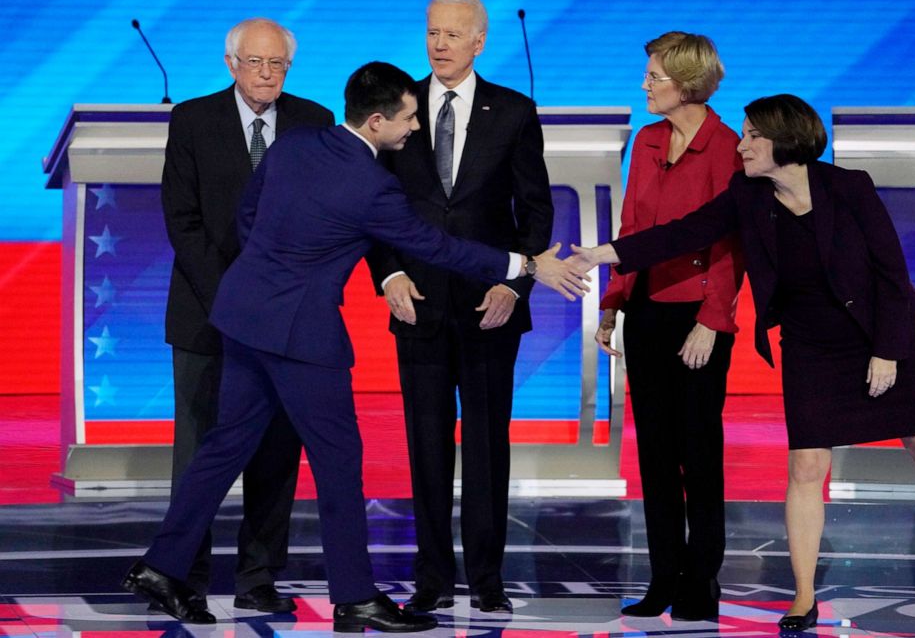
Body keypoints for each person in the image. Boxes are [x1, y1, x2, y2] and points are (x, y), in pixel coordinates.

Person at [123, 61, 587, 633]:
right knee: (339, 462)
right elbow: (438, 247)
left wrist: (276, 273)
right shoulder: (373, 187)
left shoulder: (294, 146)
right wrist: (525, 264)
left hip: (244, 315)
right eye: (410, 117)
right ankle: (356, 596)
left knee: (223, 447)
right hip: (300, 336)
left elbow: (249, 216)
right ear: (375, 121)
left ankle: (162, 567)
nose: (416, 126)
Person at [565, 94, 915, 631]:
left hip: (879, 331)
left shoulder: (848, 187)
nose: (740, 145)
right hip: (812, 345)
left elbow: (891, 275)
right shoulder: (748, 194)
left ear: (784, 140)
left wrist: (887, 350)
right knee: (806, 466)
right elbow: (687, 232)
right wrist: (603, 253)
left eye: (751, 136)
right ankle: (804, 595)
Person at [366, 0, 553, 614]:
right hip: (416, 301)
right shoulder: (399, 108)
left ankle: (488, 577)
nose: (439, 44)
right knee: (425, 444)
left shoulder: (515, 111)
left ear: (479, 42)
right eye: (431, 33)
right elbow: (374, 203)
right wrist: (388, 274)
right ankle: (432, 577)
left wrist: (515, 283)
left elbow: (536, 210)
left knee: (486, 444)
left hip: (488, 304)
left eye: (452, 34)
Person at [160, 17, 334, 613]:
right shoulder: (192, 120)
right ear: (231, 64)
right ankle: (182, 577)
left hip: (286, 320)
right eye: (255, 63)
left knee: (276, 450)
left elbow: (324, 218)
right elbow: (182, 221)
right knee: (201, 453)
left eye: (277, 65)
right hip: (207, 314)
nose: (267, 75)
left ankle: (258, 576)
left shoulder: (314, 122)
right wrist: (233, 297)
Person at [596, 32, 743, 621]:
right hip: (651, 310)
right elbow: (632, 226)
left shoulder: (727, 147)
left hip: (699, 315)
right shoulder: (649, 139)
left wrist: (713, 318)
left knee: (698, 450)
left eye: (653, 77)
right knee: (654, 451)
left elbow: (733, 244)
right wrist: (614, 301)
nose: (644, 85)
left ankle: (701, 581)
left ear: (686, 83)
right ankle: (662, 577)